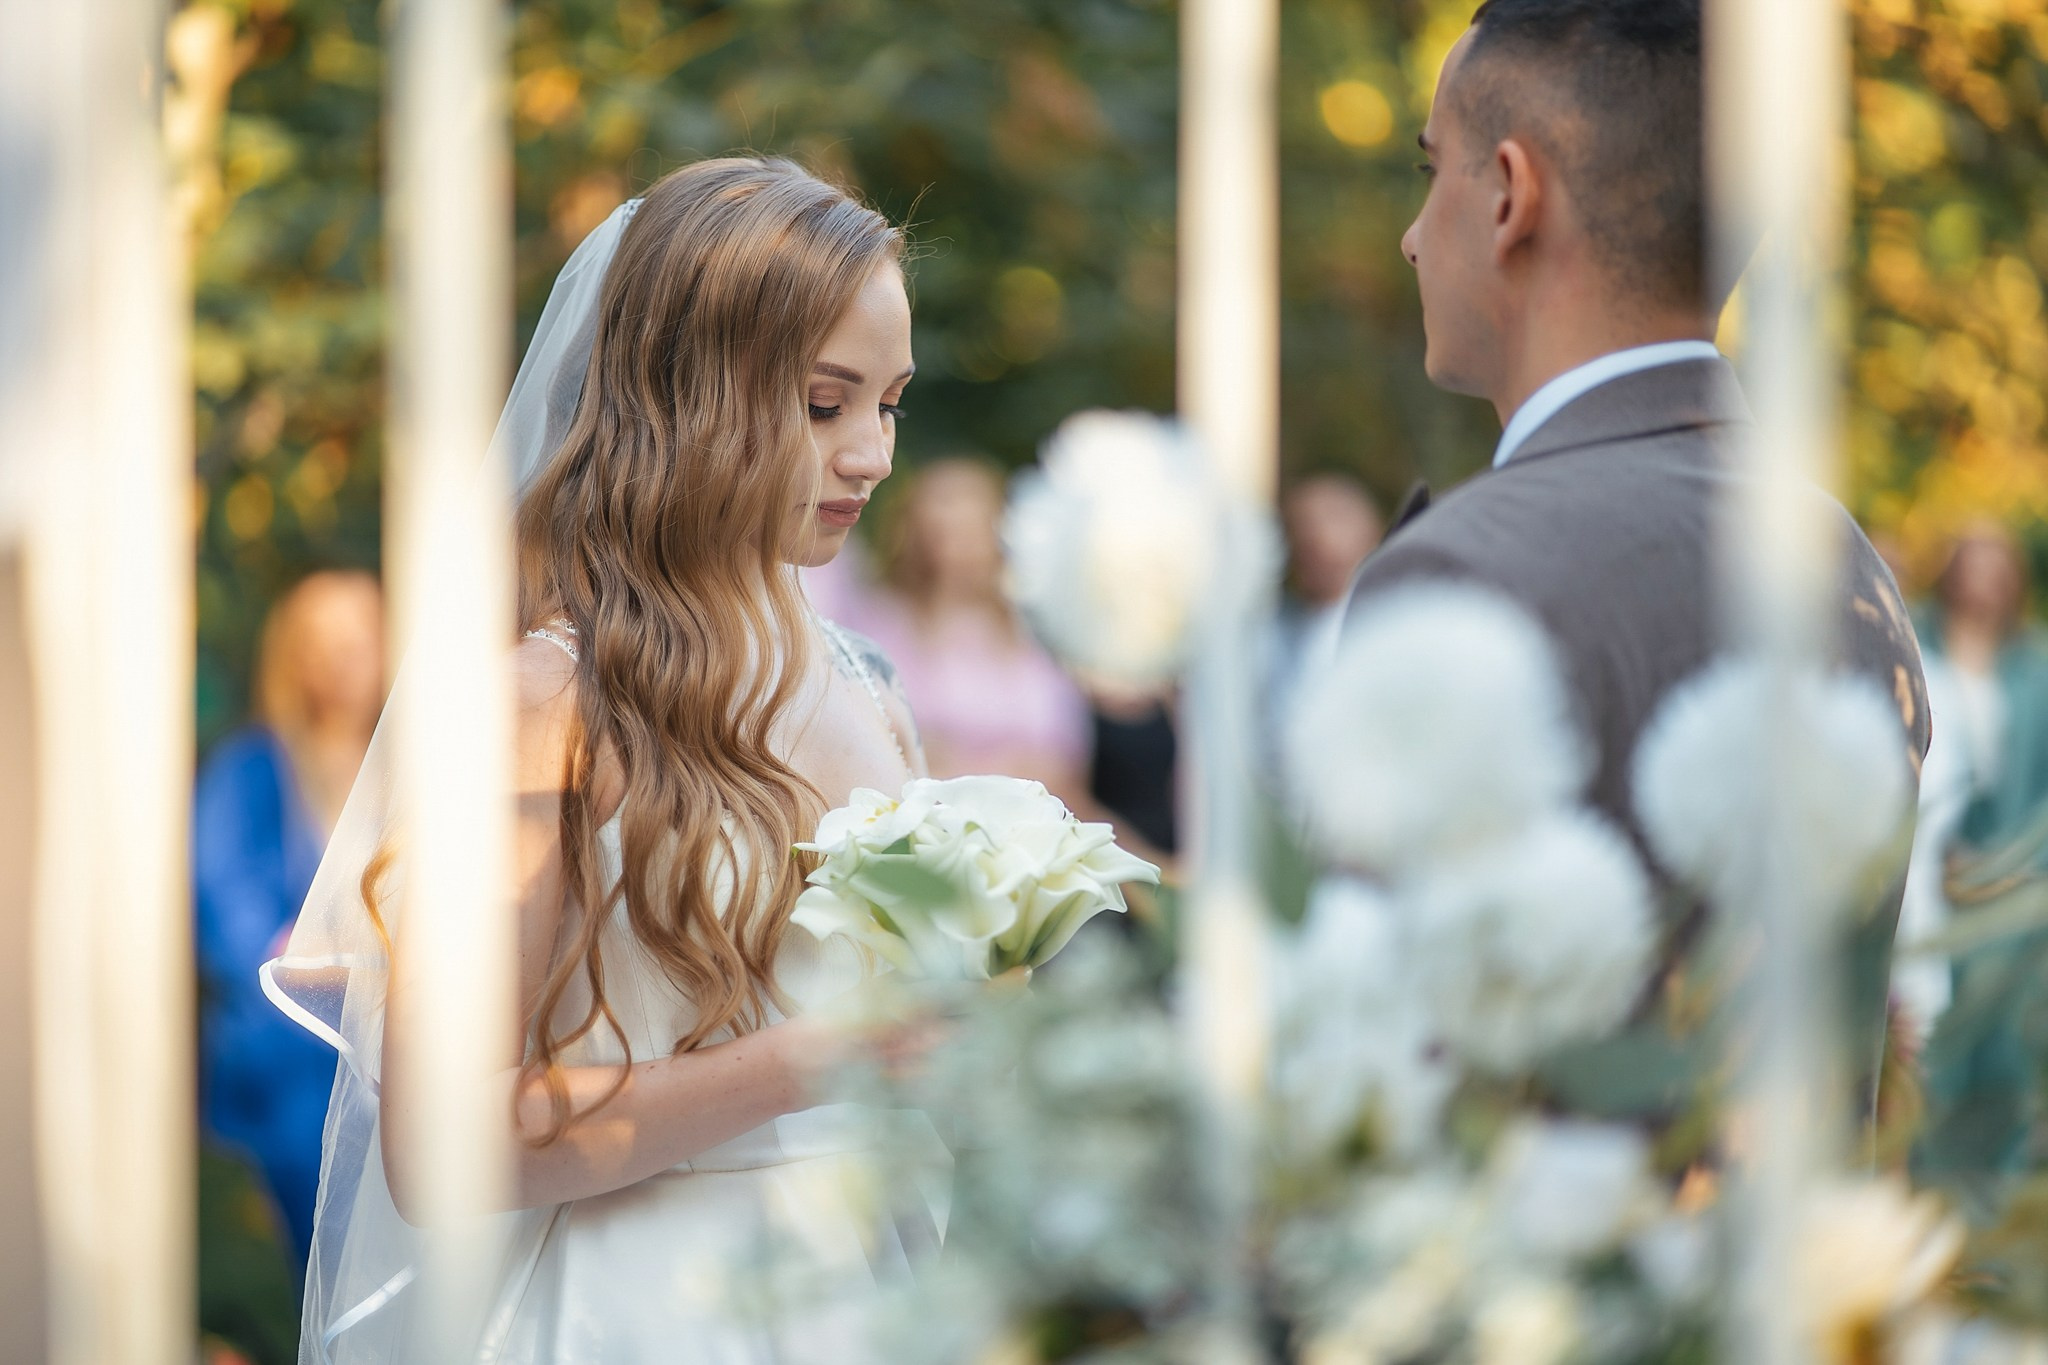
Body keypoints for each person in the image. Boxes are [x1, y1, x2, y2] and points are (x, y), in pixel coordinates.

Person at [265, 159, 947, 1363]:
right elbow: (441, 1145)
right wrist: (811, 1061)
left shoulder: (869, 689)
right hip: (641, 1313)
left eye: (889, 404)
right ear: (689, 395)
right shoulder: (540, 708)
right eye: (822, 404)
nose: (871, 455)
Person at [1346, 0, 1928, 1104]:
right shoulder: (1851, 573)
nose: (1413, 235)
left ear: (1509, 196)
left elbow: (1372, 1084)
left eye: (1431, 168)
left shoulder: (1459, 581)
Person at [192, 568, 383, 1266]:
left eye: (359, 637)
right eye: (322, 641)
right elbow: (235, 925)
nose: (343, 660)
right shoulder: (248, 772)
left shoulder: (405, 769)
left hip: (385, 1064)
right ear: (290, 654)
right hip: (284, 1077)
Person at [858, 458, 1093, 796]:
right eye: (944, 535)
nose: (961, 551)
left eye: (972, 531)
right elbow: (887, 747)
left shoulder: (1032, 626)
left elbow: (1067, 757)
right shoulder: (886, 626)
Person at [1265, 474, 1384, 762]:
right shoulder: (1276, 627)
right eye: (1300, 527)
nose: (1314, 537)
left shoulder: (1382, 626)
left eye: (1334, 519)